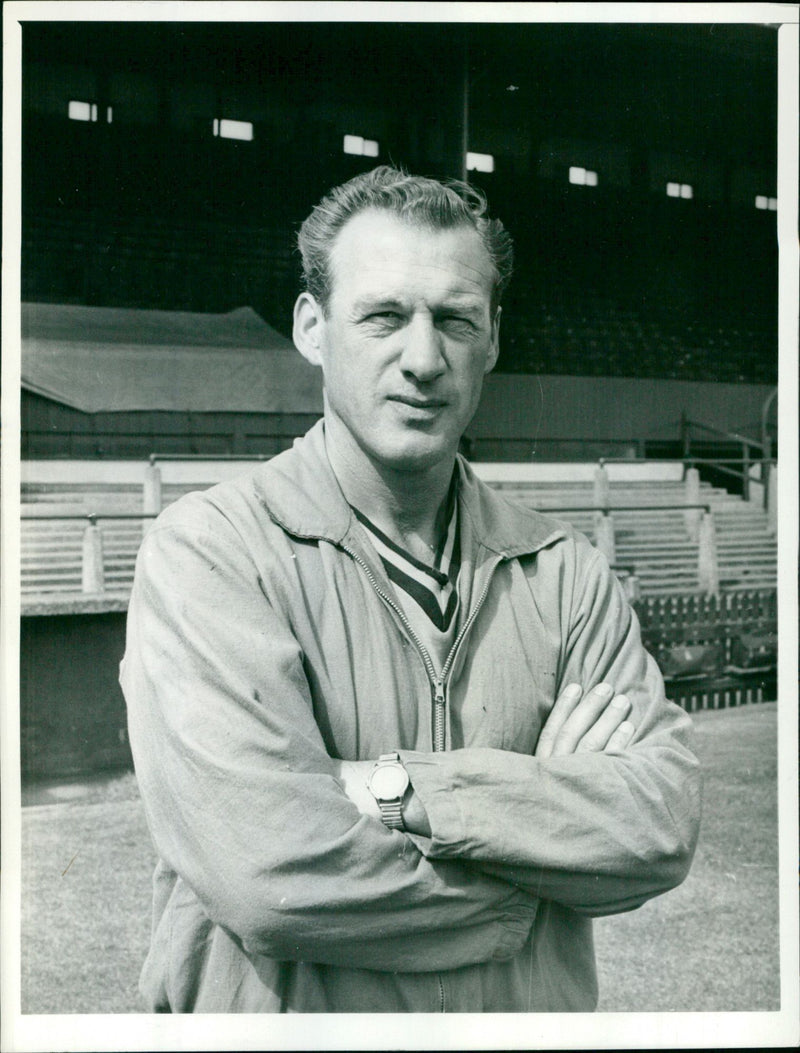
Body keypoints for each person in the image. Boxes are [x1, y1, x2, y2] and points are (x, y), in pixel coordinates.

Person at [121, 165, 701, 1014]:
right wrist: (537, 853)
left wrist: (388, 790)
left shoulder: (565, 570)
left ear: (494, 337)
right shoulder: (210, 552)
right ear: (312, 327)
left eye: (456, 319)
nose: (424, 358)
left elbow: (657, 826)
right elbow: (271, 877)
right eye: (385, 316)